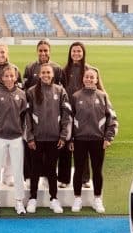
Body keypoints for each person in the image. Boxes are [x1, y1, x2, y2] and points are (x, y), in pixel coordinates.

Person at [70, 67, 117, 214]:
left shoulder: (103, 96)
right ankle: (77, 198)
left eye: (92, 77)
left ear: (96, 80)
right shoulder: (76, 96)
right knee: (78, 170)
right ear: (83, 79)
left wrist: (108, 137)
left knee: (97, 171)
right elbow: (69, 119)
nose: (89, 79)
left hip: (98, 140)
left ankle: (98, 199)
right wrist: (70, 139)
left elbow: (112, 118)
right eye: (87, 77)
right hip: (79, 140)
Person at [25, 63, 70, 214]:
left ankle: (54, 199)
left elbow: (65, 114)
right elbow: (27, 117)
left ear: (53, 74)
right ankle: (33, 199)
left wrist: (63, 136)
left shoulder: (60, 90)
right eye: (43, 72)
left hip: (54, 138)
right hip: (36, 138)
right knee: (35, 170)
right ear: (39, 74)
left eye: (48, 72)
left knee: (52, 170)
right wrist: (29, 137)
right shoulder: (31, 92)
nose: (45, 75)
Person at [0, 65, 29, 215]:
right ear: (2, 78)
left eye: (12, 76)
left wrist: (21, 131)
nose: (9, 79)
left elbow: (25, 116)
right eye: (6, 76)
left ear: (16, 77)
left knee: (18, 170)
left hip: (16, 138)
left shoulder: (22, 95)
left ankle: (19, 202)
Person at [60, 41, 100, 189]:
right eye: (73, 51)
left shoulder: (90, 70)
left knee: (82, 145)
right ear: (70, 53)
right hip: (67, 113)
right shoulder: (64, 71)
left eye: (79, 51)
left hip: (84, 114)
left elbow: (99, 90)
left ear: (83, 53)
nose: (76, 54)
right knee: (65, 145)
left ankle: (84, 178)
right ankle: (64, 178)